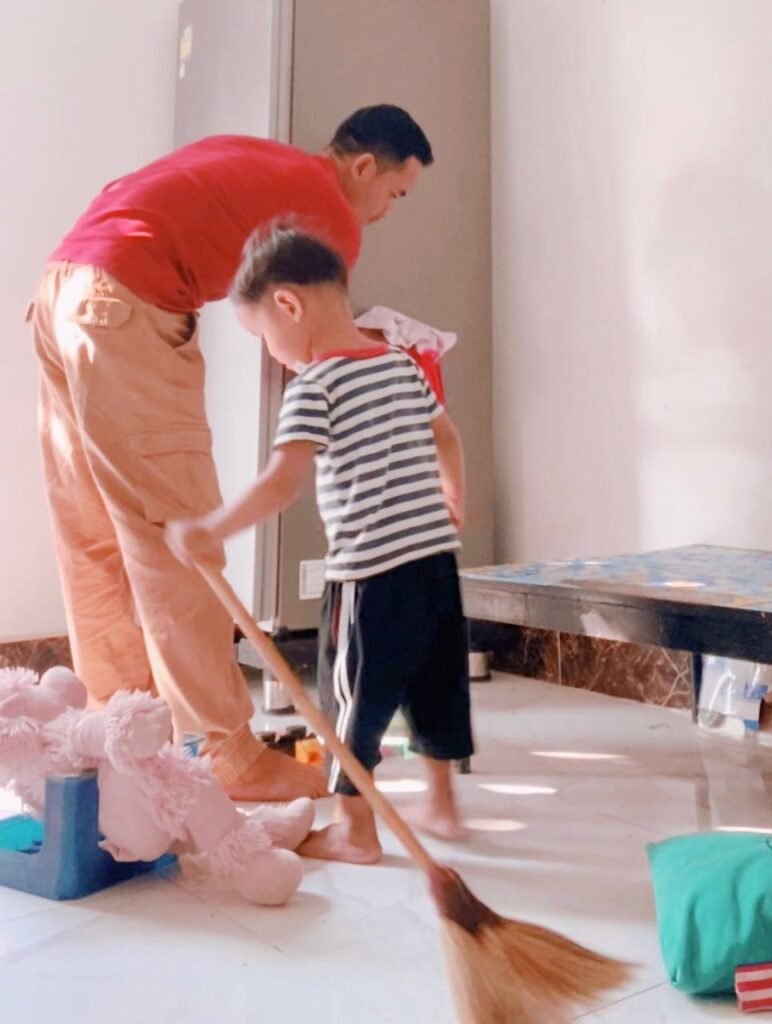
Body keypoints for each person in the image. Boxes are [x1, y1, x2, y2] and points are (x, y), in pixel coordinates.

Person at [28, 105, 433, 803]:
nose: (387, 212)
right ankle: (229, 755)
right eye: (395, 193)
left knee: (95, 531)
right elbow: (313, 348)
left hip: (62, 291)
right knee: (177, 533)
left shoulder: (261, 157)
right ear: (363, 167)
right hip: (127, 301)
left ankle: (123, 729)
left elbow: (128, 195)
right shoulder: (330, 216)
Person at [165, 226, 474, 864]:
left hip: (369, 577)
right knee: (438, 683)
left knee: (349, 707)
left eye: (263, 339)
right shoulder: (400, 364)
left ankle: (356, 833)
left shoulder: (315, 386)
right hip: (435, 563)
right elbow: (449, 438)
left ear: (288, 305)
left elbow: (282, 484)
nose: (275, 355)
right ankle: (443, 804)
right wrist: (452, 499)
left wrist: (209, 529)